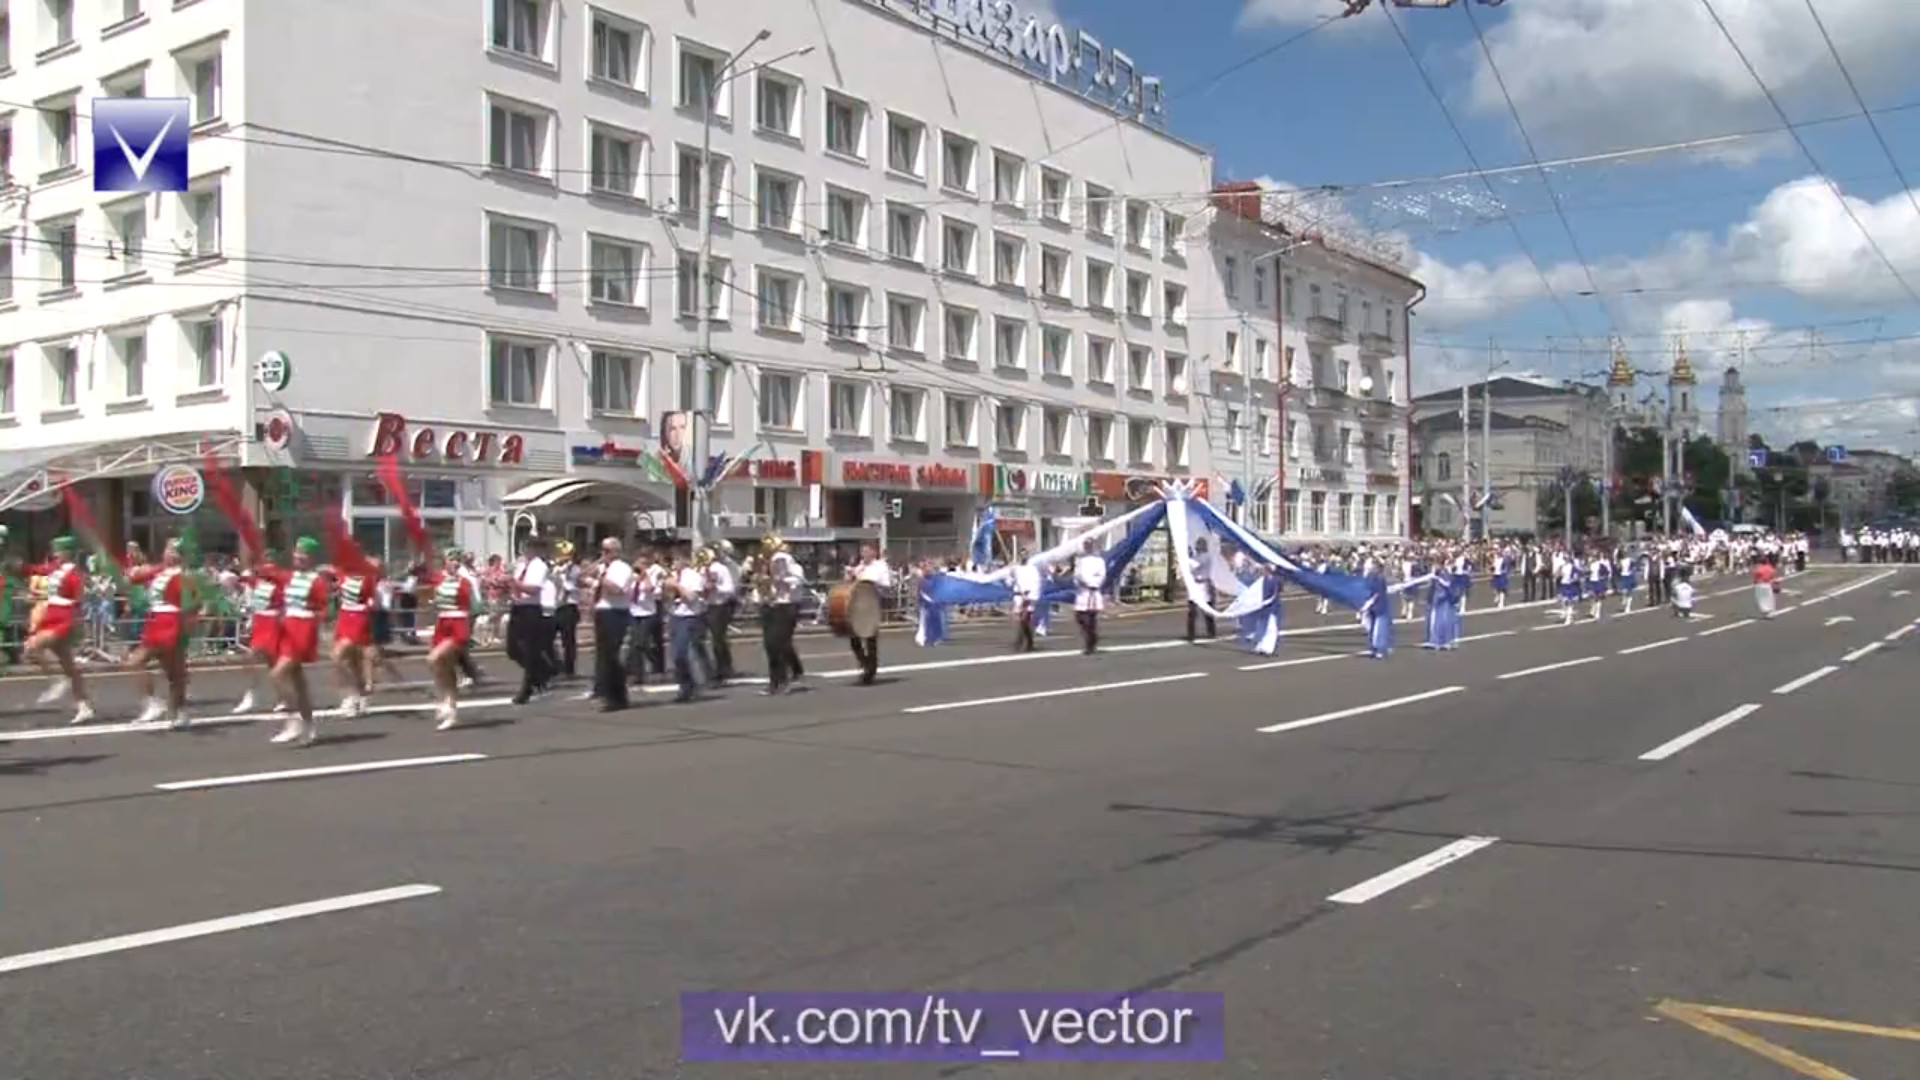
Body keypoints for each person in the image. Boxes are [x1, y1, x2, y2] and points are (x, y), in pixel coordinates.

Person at [24, 536, 96, 724]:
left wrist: (77, 623)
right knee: (69, 666)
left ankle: (56, 680)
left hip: (64, 617)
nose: (55, 553)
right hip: (51, 614)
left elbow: (79, 600)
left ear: (68, 552)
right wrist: (16, 566)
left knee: (33, 646)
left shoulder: (74, 574)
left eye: (58, 550)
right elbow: (35, 570)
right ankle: (84, 705)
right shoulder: (54, 568)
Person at [267, 537, 330, 746]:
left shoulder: (317, 581)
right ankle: (309, 726)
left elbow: (324, 609)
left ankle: (293, 721)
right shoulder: (289, 577)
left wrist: (314, 625)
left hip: (303, 630)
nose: (299, 556)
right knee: (298, 682)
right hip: (287, 628)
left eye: (304, 553)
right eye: (297, 552)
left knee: (278, 674)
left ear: (311, 557)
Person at [126, 539, 194, 728]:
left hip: (171, 621)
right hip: (154, 620)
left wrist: (186, 631)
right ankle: (172, 710)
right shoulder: (159, 571)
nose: (169, 553)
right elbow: (132, 578)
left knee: (142, 663)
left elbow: (192, 607)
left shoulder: (185, 576)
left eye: (175, 550)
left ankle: (166, 708)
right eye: (168, 549)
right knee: (172, 672)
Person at [419, 548, 477, 730]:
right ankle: (449, 706)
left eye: (457, 560)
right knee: (443, 666)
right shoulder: (438, 578)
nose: (455, 563)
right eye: (451, 559)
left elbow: (470, 606)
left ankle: (445, 702)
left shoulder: (466, 582)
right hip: (442, 624)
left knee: (433, 659)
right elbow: (421, 581)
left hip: (457, 625)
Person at [233, 548, 285, 715]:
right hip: (259, 623)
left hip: (273, 622)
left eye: (271, 561)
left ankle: (283, 697)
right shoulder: (257, 581)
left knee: (273, 663)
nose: (268, 565)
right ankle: (252, 695)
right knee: (251, 660)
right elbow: (240, 579)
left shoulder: (281, 583)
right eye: (266, 560)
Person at [507, 536, 555, 705]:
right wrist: (505, 584)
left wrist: (514, 582)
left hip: (531, 609)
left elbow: (533, 589)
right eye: (525, 547)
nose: (526, 550)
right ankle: (543, 671)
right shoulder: (521, 566)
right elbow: (516, 585)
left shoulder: (539, 566)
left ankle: (527, 689)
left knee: (530, 650)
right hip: (517, 607)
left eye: (529, 547)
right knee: (512, 648)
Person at [588, 537, 635, 712]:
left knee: (612, 657)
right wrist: (595, 568)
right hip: (602, 611)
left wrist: (601, 578)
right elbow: (583, 575)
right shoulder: (603, 567)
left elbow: (618, 590)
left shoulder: (622, 568)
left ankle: (617, 696)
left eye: (607, 551)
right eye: (602, 550)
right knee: (603, 656)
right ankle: (605, 691)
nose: (604, 554)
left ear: (616, 551)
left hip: (616, 613)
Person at [757, 534, 806, 694]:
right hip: (771, 605)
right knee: (770, 645)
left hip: (787, 605)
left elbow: (799, 582)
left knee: (780, 643)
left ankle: (784, 679)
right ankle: (774, 681)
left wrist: (781, 579)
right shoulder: (767, 565)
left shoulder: (793, 567)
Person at [669, 550, 712, 703]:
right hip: (676, 615)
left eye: (676, 560)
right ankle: (685, 686)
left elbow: (692, 597)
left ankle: (693, 684)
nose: (673, 564)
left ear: (684, 560)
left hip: (690, 616)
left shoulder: (693, 576)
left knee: (683, 652)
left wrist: (676, 585)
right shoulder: (675, 576)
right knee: (675, 655)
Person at [849, 543, 892, 685]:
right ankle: (864, 662)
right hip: (857, 605)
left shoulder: (880, 567)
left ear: (874, 553)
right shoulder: (859, 567)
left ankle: (870, 670)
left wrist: (871, 583)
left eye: (867, 551)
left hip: (872, 604)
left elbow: (886, 584)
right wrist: (850, 575)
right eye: (862, 551)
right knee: (853, 638)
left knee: (870, 639)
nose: (864, 554)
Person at [704, 544, 739, 686]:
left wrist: (715, 587)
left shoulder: (721, 569)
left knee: (718, 639)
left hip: (720, 606)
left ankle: (723, 668)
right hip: (704, 606)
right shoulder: (701, 569)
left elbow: (730, 589)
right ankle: (707, 669)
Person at [1072, 540, 1106, 654]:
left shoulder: (1099, 561)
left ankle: (1090, 643)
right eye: (1086, 545)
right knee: (1080, 617)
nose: (1088, 547)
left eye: (1089, 545)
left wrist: (1091, 583)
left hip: (1092, 591)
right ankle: (1091, 638)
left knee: (1090, 619)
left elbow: (1101, 576)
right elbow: (1077, 575)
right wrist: (1078, 581)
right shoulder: (1081, 560)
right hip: (1082, 592)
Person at [1011, 557, 1044, 653]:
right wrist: (1012, 575)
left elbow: (1036, 583)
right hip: (1019, 598)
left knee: (1024, 620)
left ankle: (1020, 642)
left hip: (1028, 597)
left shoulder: (1032, 570)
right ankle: (1028, 641)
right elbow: (1010, 582)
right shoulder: (1016, 569)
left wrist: (1031, 595)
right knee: (1021, 621)